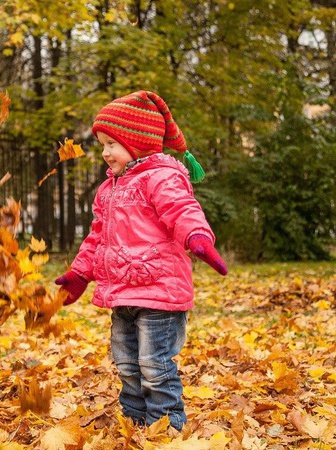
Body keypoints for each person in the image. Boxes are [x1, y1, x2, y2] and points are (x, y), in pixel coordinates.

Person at [54, 90, 227, 432]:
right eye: (102, 144)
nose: (104, 152)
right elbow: (97, 237)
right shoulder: (109, 189)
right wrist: (80, 273)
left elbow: (182, 211)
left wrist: (198, 239)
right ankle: (133, 425)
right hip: (123, 293)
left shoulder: (162, 177)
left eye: (111, 144)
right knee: (127, 365)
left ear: (137, 142)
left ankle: (165, 429)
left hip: (159, 295)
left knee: (155, 366)